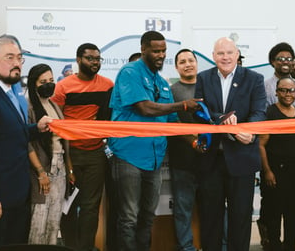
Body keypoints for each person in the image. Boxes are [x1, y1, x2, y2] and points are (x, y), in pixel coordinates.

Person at [108, 31, 200, 251]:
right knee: (129, 216)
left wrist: (194, 142)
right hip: (129, 154)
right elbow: (144, 107)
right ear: (143, 49)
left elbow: (172, 122)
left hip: (155, 158)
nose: (160, 55)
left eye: (163, 51)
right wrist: (183, 104)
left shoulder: (162, 82)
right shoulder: (130, 72)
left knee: (148, 214)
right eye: (156, 50)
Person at [0, 35, 52, 251]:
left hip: (17, 196)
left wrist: (36, 128)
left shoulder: (10, 91)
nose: (17, 63)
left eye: (19, 58)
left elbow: (10, 135)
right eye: (9, 57)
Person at [194, 37, 266, 251]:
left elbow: (259, 112)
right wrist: (222, 118)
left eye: (229, 53)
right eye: (220, 53)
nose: (225, 57)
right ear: (213, 56)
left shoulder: (254, 79)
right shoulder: (203, 78)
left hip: (242, 157)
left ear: (237, 55)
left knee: (241, 217)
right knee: (210, 218)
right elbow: (199, 111)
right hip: (211, 159)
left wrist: (249, 131)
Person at [51, 43, 114, 251]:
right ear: (78, 60)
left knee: (91, 207)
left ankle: (86, 247)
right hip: (70, 154)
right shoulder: (63, 86)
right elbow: (56, 124)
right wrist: (66, 161)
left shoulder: (107, 85)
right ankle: (70, 247)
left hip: (96, 153)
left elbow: (110, 117)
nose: (95, 63)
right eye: (90, 58)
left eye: (98, 59)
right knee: (68, 207)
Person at [26, 63, 75, 244]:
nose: (49, 84)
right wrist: (40, 172)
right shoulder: (28, 106)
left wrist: (69, 168)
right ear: (34, 83)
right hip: (42, 167)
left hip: (60, 166)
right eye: (43, 81)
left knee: (54, 220)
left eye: (52, 80)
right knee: (39, 221)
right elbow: (27, 143)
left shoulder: (53, 104)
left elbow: (62, 139)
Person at [259, 77, 295, 251]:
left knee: (293, 213)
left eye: (292, 90)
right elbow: (261, 145)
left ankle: (290, 245)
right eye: (284, 90)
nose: (288, 94)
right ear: (276, 92)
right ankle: (273, 245)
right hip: (276, 171)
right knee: (274, 213)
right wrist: (267, 171)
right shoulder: (270, 114)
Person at [166, 48, 202, 251]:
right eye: (182, 61)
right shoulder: (170, 92)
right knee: (182, 209)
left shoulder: (208, 87)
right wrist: (192, 139)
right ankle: (186, 247)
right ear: (176, 67)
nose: (187, 64)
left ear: (197, 63)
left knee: (214, 209)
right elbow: (171, 122)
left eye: (191, 60)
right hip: (182, 160)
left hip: (209, 160)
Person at [264, 42, 295, 112]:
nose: (286, 62)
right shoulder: (264, 87)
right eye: (281, 59)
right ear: (272, 61)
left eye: (289, 59)